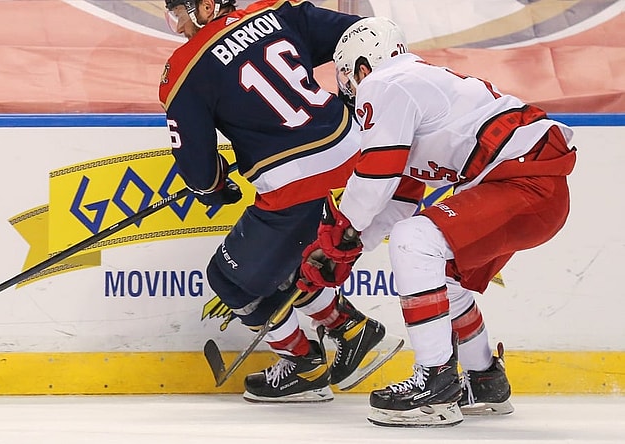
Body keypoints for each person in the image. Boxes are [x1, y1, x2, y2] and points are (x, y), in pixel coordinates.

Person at [300, 16, 577, 426]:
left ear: (362, 67)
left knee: (415, 241)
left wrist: (339, 234)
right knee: (441, 273)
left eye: (346, 77)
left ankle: (435, 385)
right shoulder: (416, 93)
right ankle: (484, 380)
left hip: (526, 183)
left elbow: (374, 179)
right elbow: (400, 199)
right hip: (531, 187)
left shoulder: (386, 83)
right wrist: (351, 246)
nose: (348, 91)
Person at [159, 0, 403, 403]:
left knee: (230, 280)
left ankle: (303, 364)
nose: (179, 26)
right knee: (287, 266)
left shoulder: (184, 68)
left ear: (205, 6)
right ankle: (352, 330)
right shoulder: (275, 11)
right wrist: (350, 97)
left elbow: (199, 170)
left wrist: (216, 186)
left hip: (299, 182)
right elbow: (362, 35)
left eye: (179, 14)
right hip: (358, 154)